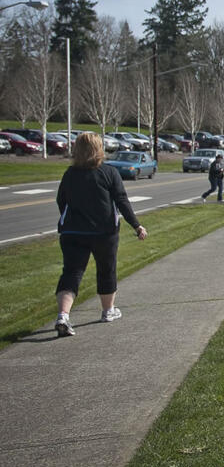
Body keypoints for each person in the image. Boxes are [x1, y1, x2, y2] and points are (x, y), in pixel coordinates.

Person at [53, 132, 147, 337]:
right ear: (99, 150)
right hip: (104, 232)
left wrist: (71, 219)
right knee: (106, 269)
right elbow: (122, 201)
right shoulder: (109, 172)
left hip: (72, 231)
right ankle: (107, 311)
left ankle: (63, 315)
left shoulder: (70, 174)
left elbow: (62, 201)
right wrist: (137, 226)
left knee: (71, 272)